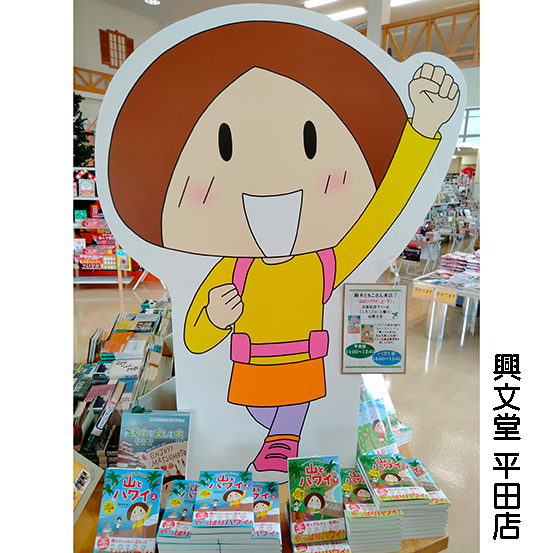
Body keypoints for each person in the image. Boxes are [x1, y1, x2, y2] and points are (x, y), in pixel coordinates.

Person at [107, 21, 460, 474]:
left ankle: (282, 441)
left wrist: (421, 131)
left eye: (310, 141)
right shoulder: (233, 269)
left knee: (286, 423)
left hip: (302, 373)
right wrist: (215, 316)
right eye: (226, 146)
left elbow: (381, 212)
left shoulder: (323, 263)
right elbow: (194, 337)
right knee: (265, 419)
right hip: (250, 380)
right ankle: (279, 437)